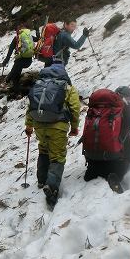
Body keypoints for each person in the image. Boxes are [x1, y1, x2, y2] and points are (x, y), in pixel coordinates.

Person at [25, 58, 81, 208]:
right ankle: (52, 186)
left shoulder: (39, 84)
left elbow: (30, 106)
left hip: (39, 124)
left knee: (43, 149)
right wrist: (75, 127)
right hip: (58, 126)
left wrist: (29, 125)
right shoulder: (67, 86)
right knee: (57, 156)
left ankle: (42, 180)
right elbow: (75, 108)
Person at [82, 85, 130, 193]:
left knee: (94, 171)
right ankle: (116, 175)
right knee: (129, 155)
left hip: (91, 158)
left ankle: (95, 171)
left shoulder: (97, 109)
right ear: (129, 98)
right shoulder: (129, 110)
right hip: (114, 158)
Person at [1, 25, 38, 92]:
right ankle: (9, 81)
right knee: (16, 69)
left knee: (15, 74)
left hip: (20, 61)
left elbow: (10, 52)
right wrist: (37, 29)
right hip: (29, 61)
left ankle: (16, 90)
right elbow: (38, 39)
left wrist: (5, 61)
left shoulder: (16, 38)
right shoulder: (29, 36)